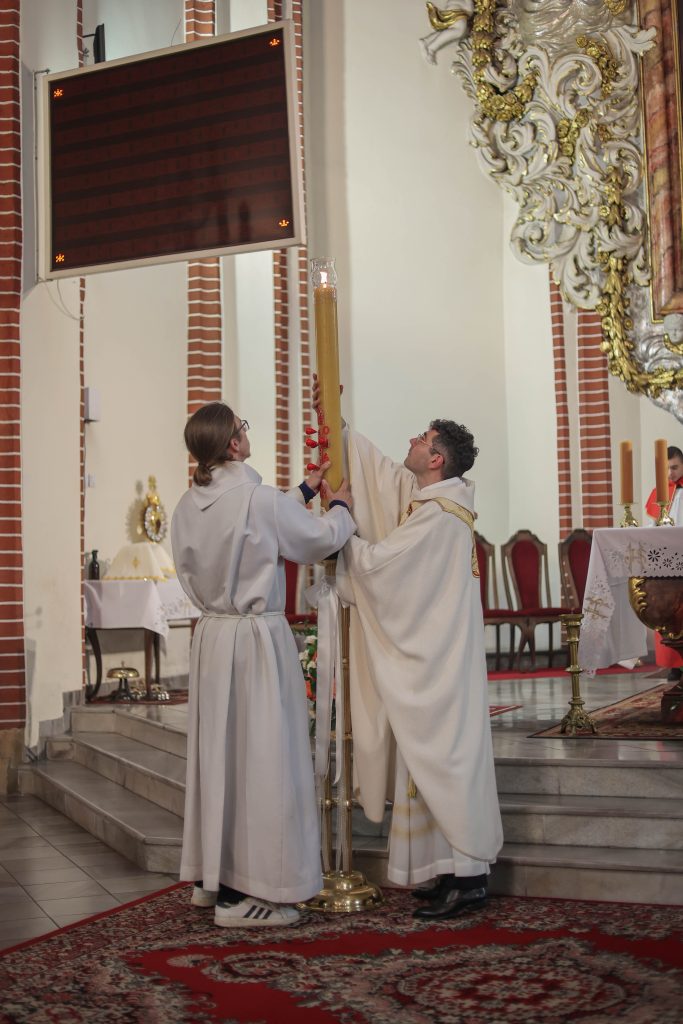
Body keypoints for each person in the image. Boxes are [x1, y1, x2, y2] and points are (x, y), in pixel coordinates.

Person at [171, 402, 355, 928]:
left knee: (222, 759)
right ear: (233, 444)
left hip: (213, 638)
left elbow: (255, 527)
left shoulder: (189, 503)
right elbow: (315, 540)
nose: (246, 434)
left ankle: (213, 877)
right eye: (242, 428)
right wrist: (340, 507)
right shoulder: (257, 500)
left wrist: (302, 492)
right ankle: (245, 897)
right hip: (255, 641)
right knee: (263, 759)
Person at [326, 398, 503, 920]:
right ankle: (448, 868)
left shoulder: (438, 518)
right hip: (437, 662)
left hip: (437, 668)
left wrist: (341, 529)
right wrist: (337, 425)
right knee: (433, 763)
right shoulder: (433, 503)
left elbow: (383, 568)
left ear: (437, 460)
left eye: (422, 439)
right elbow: (383, 475)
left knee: (445, 762)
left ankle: (469, 878)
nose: (412, 441)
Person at [645, 445, 683, 681]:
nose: (670, 473)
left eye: (675, 467)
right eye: (666, 468)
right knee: (667, 610)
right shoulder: (659, 493)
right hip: (666, 562)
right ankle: (673, 664)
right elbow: (653, 527)